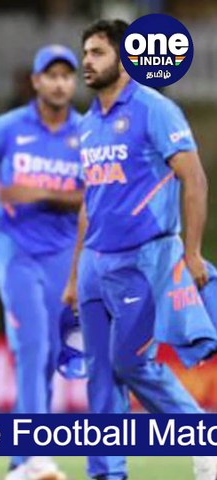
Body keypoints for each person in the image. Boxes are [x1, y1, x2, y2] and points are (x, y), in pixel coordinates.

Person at [64, 19, 217, 480]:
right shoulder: (88, 123)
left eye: (97, 53)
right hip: (95, 263)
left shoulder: (155, 109)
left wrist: (192, 252)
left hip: (142, 259)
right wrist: (74, 275)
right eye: (85, 53)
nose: (86, 62)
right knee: (100, 373)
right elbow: (90, 203)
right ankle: (106, 473)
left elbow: (195, 179)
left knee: (130, 362)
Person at [0, 44, 83, 480]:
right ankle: (37, 458)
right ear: (35, 82)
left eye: (67, 76)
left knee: (49, 356)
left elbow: (94, 196)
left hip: (62, 253)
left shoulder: (87, 133)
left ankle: (20, 460)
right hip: (17, 250)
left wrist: (41, 193)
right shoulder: (7, 128)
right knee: (32, 347)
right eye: (51, 76)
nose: (59, 84)